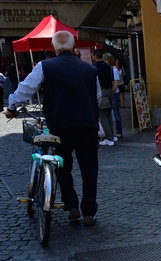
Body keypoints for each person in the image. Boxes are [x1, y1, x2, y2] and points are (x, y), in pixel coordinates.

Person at [4, 30, 101, 227]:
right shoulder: (90, 70)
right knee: (89, 169)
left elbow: (25, 88)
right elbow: (97, 98)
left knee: (61, 166)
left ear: (54, 48)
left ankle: (71, 204)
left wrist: (12, 104)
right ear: (73, 47)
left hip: (60, 126)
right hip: (87, 126)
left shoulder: (45, 66)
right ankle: (89, 211)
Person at [91, 49, 116, 146]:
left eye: (93, 56)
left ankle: (109, 138)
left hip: (101, 91)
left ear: (95, 56)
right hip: (109, 90)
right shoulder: (108, 67)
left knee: (103, 116)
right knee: (109, 114)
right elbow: (112, 81)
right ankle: (112, 135)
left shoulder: (94, 67)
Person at [104, 53, 122, 139]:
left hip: (114, 94)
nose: (105, 61)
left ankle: (119, 131)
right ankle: (111, 132)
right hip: (110, 93)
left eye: (106, 59)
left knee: (116, 113)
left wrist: (112, 92)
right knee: (110, 113)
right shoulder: (107, 69)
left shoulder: (114, 70)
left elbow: (116, 83)